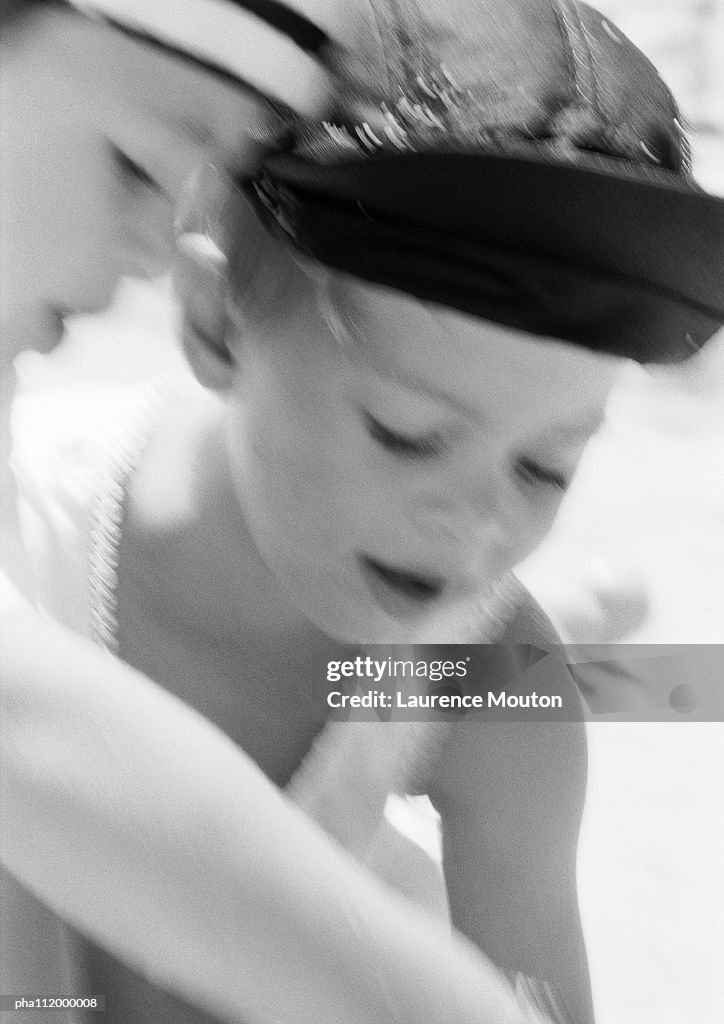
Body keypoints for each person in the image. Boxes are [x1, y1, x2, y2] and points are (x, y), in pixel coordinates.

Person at [4, 2, 724, 1024]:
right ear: (215, 320)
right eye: (404, 432)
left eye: (545, 468)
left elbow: (537, 999)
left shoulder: (493, 688)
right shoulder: (26, 532)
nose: (473, 521)